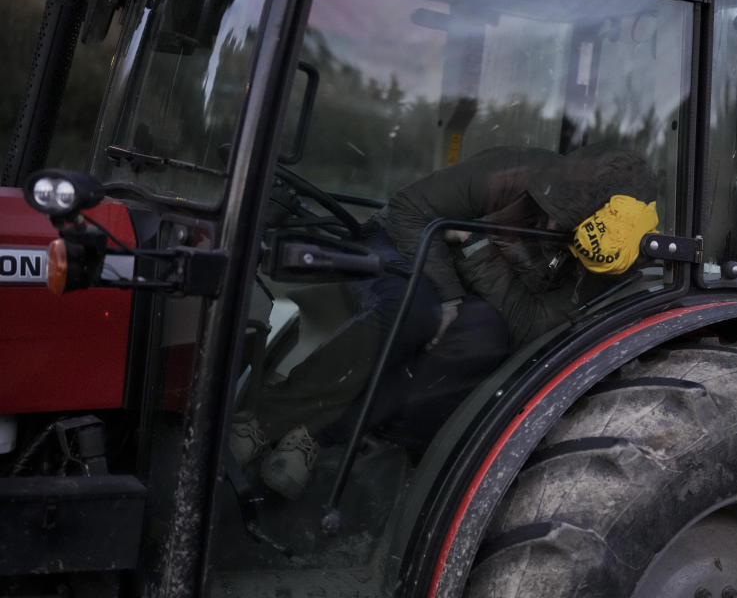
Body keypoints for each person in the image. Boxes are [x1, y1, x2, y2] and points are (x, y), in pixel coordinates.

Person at [231, 144, 659, 499]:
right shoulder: (511, 172)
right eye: (553, 214)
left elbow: (531, 324)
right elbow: (409, 212)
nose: (549, 225)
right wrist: (451, 294)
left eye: (565, 230)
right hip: (403, 246)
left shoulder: (601, 265)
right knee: (416, 312)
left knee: (480, 335)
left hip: (466, 276)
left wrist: (473, 246)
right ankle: (267, 418)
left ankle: (315, 434)